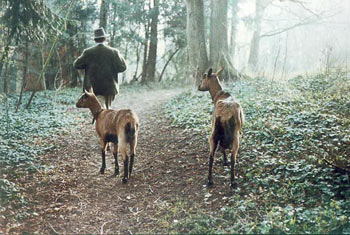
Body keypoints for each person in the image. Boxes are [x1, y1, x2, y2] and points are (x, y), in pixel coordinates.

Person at [73, 28, 127, 109]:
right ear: (105, 38)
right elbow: (123, 67)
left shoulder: (88, 52)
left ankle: (103, 121)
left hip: (93, 89)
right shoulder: (114, 52)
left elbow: (76, 65)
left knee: (100, 113)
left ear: (95, 40)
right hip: (110, 88)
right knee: (105, 111)